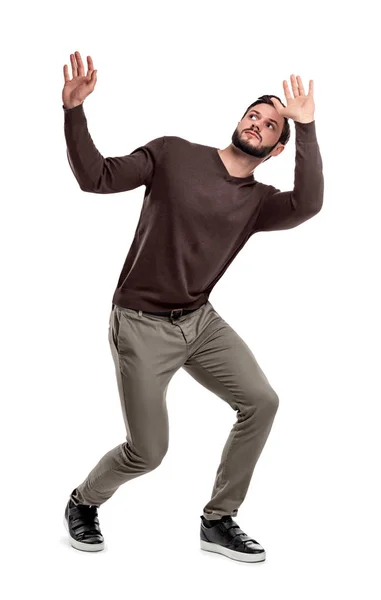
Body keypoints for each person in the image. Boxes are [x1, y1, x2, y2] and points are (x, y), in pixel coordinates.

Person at [62, 50, 324, 562]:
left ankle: (219, 519)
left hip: (200, 322)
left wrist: (307, 128)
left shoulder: (259, 203)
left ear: (275, 149)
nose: (260, 122)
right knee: (148, 452)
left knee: (261, 401)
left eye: (273, 124)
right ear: (239, 119)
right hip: (140, 324)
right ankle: (83, 500)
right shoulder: (174, 154)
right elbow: (95, 176)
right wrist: (74, 112)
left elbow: (308, 204)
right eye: (255, 114)